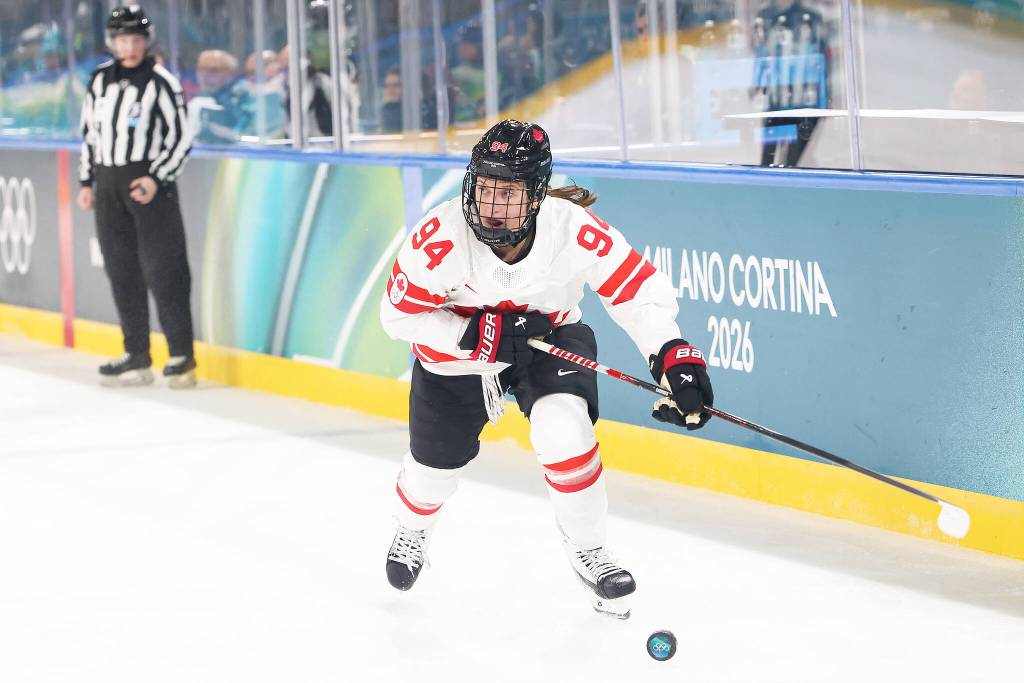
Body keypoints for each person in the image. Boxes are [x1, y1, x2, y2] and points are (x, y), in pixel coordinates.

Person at [379, 119, 714, 618]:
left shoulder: (571, 229)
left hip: (549, 340)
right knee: (433, 471)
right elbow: (396, 315)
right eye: (485, 188)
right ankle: (412, 529)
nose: (491, 206)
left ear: (537, 196)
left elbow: (636, 293)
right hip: (458, 357)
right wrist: (467, 334)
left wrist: (672, 355)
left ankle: (589, 550)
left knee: (565, 431)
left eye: (509, 193)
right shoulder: (441, 237)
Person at [76, 5, 197, 388]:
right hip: (109, 184)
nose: (131, 47)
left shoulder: (161, 82)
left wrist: (156, 178)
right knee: (121, 269)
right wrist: (86, 181)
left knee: (165, 269)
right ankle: (137, 353)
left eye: (137, 39)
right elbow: (89, 135)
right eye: (124, 39)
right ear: (112, 42)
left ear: (147, 41)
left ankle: (181, 356)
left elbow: (182, 136)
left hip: (148, 186)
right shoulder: (99, 80)